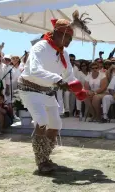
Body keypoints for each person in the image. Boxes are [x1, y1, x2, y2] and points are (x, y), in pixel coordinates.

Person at [18, 18, 81, 173]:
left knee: (55, 125)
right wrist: (58, 80)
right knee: (42, 121)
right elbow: (34, 70)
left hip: (47, 91)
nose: (69, 41)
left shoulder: (64, 53)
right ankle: (41, 162)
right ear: (56, 33)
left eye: (71, 38)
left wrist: (79, 89)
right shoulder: (40, 47)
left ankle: (45, 158)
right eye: (68, 37)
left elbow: (69, 75)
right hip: (29, 88)